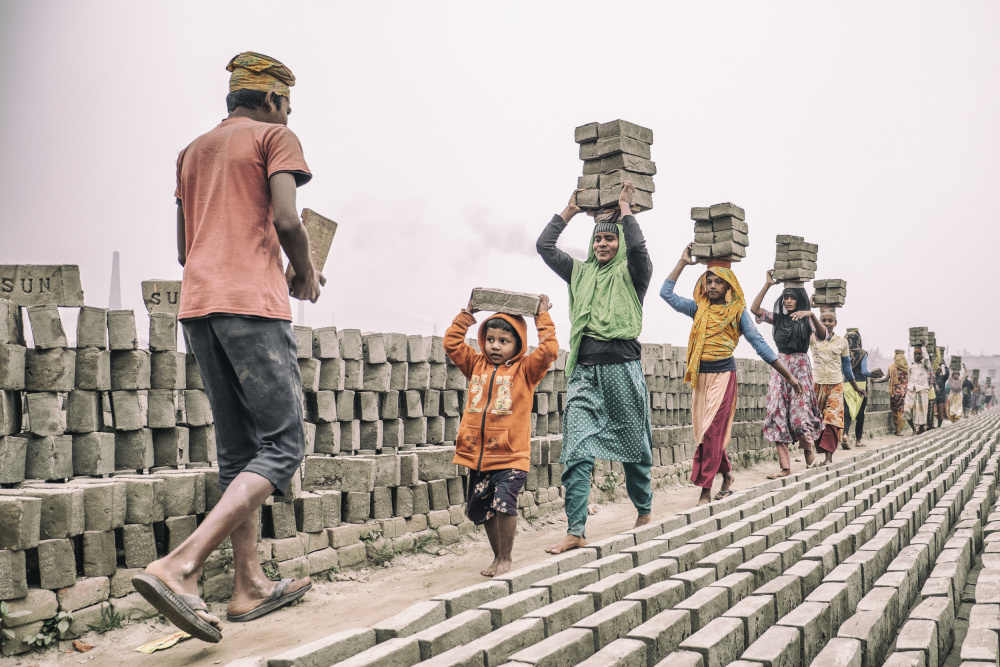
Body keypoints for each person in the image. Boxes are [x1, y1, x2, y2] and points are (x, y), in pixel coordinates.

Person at [133, 52, 321, 643]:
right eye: (287, 102)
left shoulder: (193, 152)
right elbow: (289, 221)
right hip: (250, 303)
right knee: (285, 445)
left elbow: (186, 249)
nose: (289, 112)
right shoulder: (275, 136)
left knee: (240, 452)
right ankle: (179, 565)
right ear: (270, 99)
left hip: (200, 305)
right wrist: (306, 272)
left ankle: (248, 586)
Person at [537, 183, 654, 554]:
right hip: (585, 372)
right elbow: (544, 247)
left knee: (634, 446)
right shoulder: (579, 273)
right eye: (598, 240)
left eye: (610, 239)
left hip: (622, 369)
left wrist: (624, 209)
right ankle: (576, 529)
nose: (603, 244)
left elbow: (638, 249)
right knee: (576, 449)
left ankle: (644, 510)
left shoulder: (633, 275)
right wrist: (567, 213)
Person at [660, 245, 802, 504]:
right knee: (704, 432)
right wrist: (682, 263)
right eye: (709, 281)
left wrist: (789, 377)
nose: (713, 286)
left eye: (719, 282)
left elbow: (760, 345)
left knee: (713, 431)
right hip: (700, 377)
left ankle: (705, 489)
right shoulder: (697, 309)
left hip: (724, 376)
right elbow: (665, 293)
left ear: (730, 286)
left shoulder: (738, 314)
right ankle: (726, 475)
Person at [443, 292, 558, 577]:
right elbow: (451, 343)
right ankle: (497, 557)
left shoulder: (526, 370)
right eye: (491, 339)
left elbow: (549, 351)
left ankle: (506, 558)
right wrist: (467, 314)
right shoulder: (475, 364)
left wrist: (541, 318)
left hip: (510, 454)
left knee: (504, 504)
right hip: (478, 455)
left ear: (518, 344)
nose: (495, 346)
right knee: (481, 510)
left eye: (504, 341)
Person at [750, 273, 827, 478]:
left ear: (799, 298)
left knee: (800, 416)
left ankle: (808, 453)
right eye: (786, 297)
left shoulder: (806, 320)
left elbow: (823, 335)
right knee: (777, 413)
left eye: (793, 297)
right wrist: (767, 284)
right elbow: (755, 309)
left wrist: (810, 314)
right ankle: (785, 467)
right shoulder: (778, 319)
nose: (789, 301)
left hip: (801, 367)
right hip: (781, 369)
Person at [811, 310, 864, 465]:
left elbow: (847, 368)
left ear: (835, 323)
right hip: (817, 384)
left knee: (832, 419)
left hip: (835, 384)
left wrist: (855, 388)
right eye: (823, 320)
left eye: (830, 320)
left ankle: (828, 458)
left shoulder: (842, 342)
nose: (827, 323)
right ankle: (815, 453)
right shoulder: (812, 339)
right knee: (817, 420)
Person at [842, 328, 875, 448]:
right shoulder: (862, 353)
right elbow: (864, 371)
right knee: (860, 413)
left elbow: (842, 370)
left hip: (847, 384)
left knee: (848, 411)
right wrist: (874, 374)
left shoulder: (843, 352)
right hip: (860, 384)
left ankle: (845, 434)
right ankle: (858, 441)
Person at [875, 350, 909, 435]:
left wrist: (876, 381)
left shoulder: (891, 367)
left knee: (894, 410)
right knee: (901, 410)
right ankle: (899, 430)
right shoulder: (907, 368)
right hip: (904, 394)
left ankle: (897, 428)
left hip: (894, 393)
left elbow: (886, 378)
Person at [904, 343, 933, 434]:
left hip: (922, 390)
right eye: (915, 354)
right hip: (911, 390)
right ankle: (913, 429)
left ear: (922, 355)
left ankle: (920, 429)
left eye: (919, 354)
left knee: (921, 412)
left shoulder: (925, 365)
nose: (917, 356)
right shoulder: (911, 366)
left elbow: (927, 359)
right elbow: (909, 378)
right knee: (906, 410)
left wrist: (923, 347)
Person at [934, 362, 950, 428]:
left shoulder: (943, 378)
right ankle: (931, 425)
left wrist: (945, 365)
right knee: (934, 411)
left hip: (941, 397)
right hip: (934, 397)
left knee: (941, 412)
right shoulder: (933, 378)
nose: (937, 370)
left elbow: (947, 373)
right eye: (937, 369)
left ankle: (939, 425)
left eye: (939, 369)